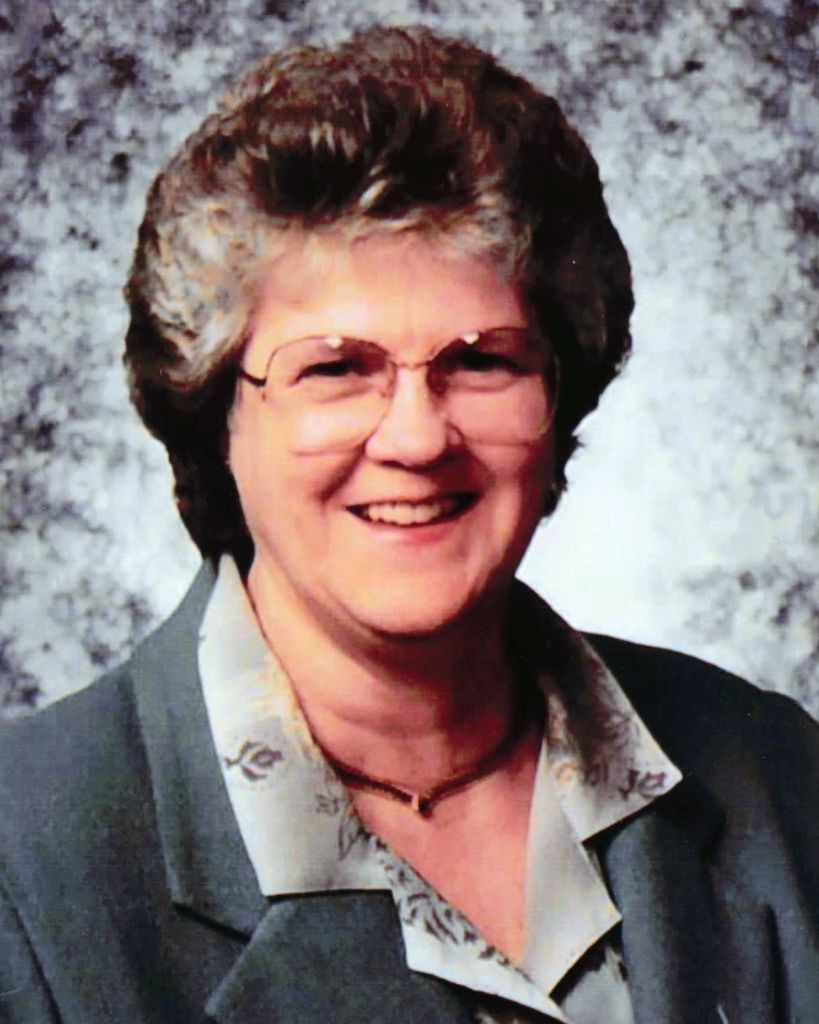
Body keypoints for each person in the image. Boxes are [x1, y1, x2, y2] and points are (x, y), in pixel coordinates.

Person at [1, 24, 817, 1024]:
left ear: (559, 396)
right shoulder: (24, 871)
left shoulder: (776, 773)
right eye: (335, 369)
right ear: (217, 416)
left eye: (482, 361)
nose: (417, 437)